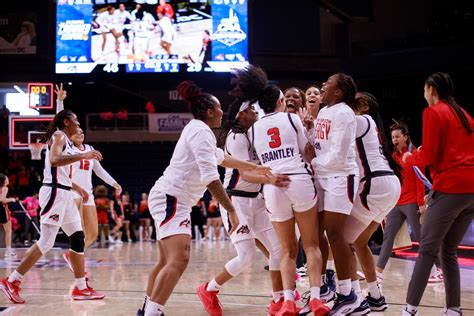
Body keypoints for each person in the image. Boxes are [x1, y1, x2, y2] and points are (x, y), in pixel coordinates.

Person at [139, 81, 271, 316]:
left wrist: (253, 166)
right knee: (179, 259)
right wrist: (230, 209)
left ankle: (147, 309)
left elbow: (223, 159)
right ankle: (153, 312)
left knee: (165, 261)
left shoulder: (200, 131)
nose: (222, 111)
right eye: (219, 108)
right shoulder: (200, 131)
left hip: (171, 198)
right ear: (209, 111)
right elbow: (211, 178)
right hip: (172, 198)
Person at [197, 66, 290, 315]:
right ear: (240, 115)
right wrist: (272, 178)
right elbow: (247, 173)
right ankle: (209, 288)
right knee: (247, 257)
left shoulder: (254, 132)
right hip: (235, 201)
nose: (254, 113)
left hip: (256, 199)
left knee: (278, 249)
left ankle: (278, 299)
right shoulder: (236, 137)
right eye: (250, 110)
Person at [0, 109, 105, 304]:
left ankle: (81, 287)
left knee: (78, 237)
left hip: (65, 192)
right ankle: (12, 281)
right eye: (76, 121)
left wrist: (77, 187)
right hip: (55, 194)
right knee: (46, 242)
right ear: (66, 122)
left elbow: (63, 172)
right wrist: (85, 156)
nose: (79, 125)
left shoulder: (65, 138)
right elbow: (55, 161)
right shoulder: (58, 136)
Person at [250, 70, 329, 314]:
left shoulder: (253, 129)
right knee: (312, 244)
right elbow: (307, 152)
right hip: (299, 181)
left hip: (273, 186)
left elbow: (258, 164)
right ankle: (316, 298)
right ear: (279, 101)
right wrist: (310, 128)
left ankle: (287, 301)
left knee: (286, 250)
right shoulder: (292, 119)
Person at [402, 72, 474, 316]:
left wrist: (410, 157)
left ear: (431, 89)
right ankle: (453, 309)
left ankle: (409, 310)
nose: (424, 95)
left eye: (424, 90)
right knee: (448, 250)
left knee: (427, 250)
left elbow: (429, 156)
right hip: (471, 191)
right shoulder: (465, 115)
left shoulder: (433, 112)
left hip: (450, 188)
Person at [301, 73, 360, 314]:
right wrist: (310, 132)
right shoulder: (324, 112)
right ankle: (324, 285)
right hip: (322, 176)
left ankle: (348, 294)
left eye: (329, 83)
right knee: (318, 235)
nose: (323, 85)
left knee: (336, 235)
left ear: (339, 91)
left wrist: (313, 162)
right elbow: (320, 144)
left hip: (340, 177)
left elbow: (337, 155)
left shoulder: (345, 113)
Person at [342, 92, 402, 313]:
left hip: (374, 184)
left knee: (341, 241)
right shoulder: (371, 124)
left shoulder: (360, 120)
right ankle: (376, 296)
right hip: (387, 184)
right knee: (359, 242)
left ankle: (355, 298)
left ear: (364, 105)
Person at [376, 120, 432, 279]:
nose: (394, 139)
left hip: (412, 203)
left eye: (397, 136)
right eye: (393, 137)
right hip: (396, 203)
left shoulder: (415, 154)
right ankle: (377, 273)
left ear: (405, 137)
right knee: (388, 238)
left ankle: (438, 270)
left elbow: (420, 181)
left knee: (423, 239)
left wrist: (421, 204)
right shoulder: (393, 156)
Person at [0, 173, 17, 260]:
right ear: (4, 181)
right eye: (7, 178)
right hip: (2, 209)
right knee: (8, 231)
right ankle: (8, 251)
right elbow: (2, 200)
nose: (8, 179)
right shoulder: (5, 188)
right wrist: (12, 199)